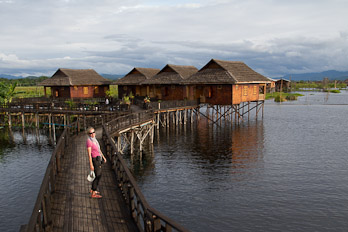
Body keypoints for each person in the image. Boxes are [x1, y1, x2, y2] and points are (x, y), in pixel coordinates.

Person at [86, 127, 107, 198]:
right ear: (88, 134)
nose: (93, 134)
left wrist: (103, 157)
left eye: (93, 132)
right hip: (95, 159)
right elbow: (89, 154)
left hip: (99, 158)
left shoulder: (95, 140)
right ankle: (93, 192)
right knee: (98, 175)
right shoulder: (89, 141)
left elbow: (99, 150)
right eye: (91, 133)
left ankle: (93, 190)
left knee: (98, 174)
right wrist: (91, 164)